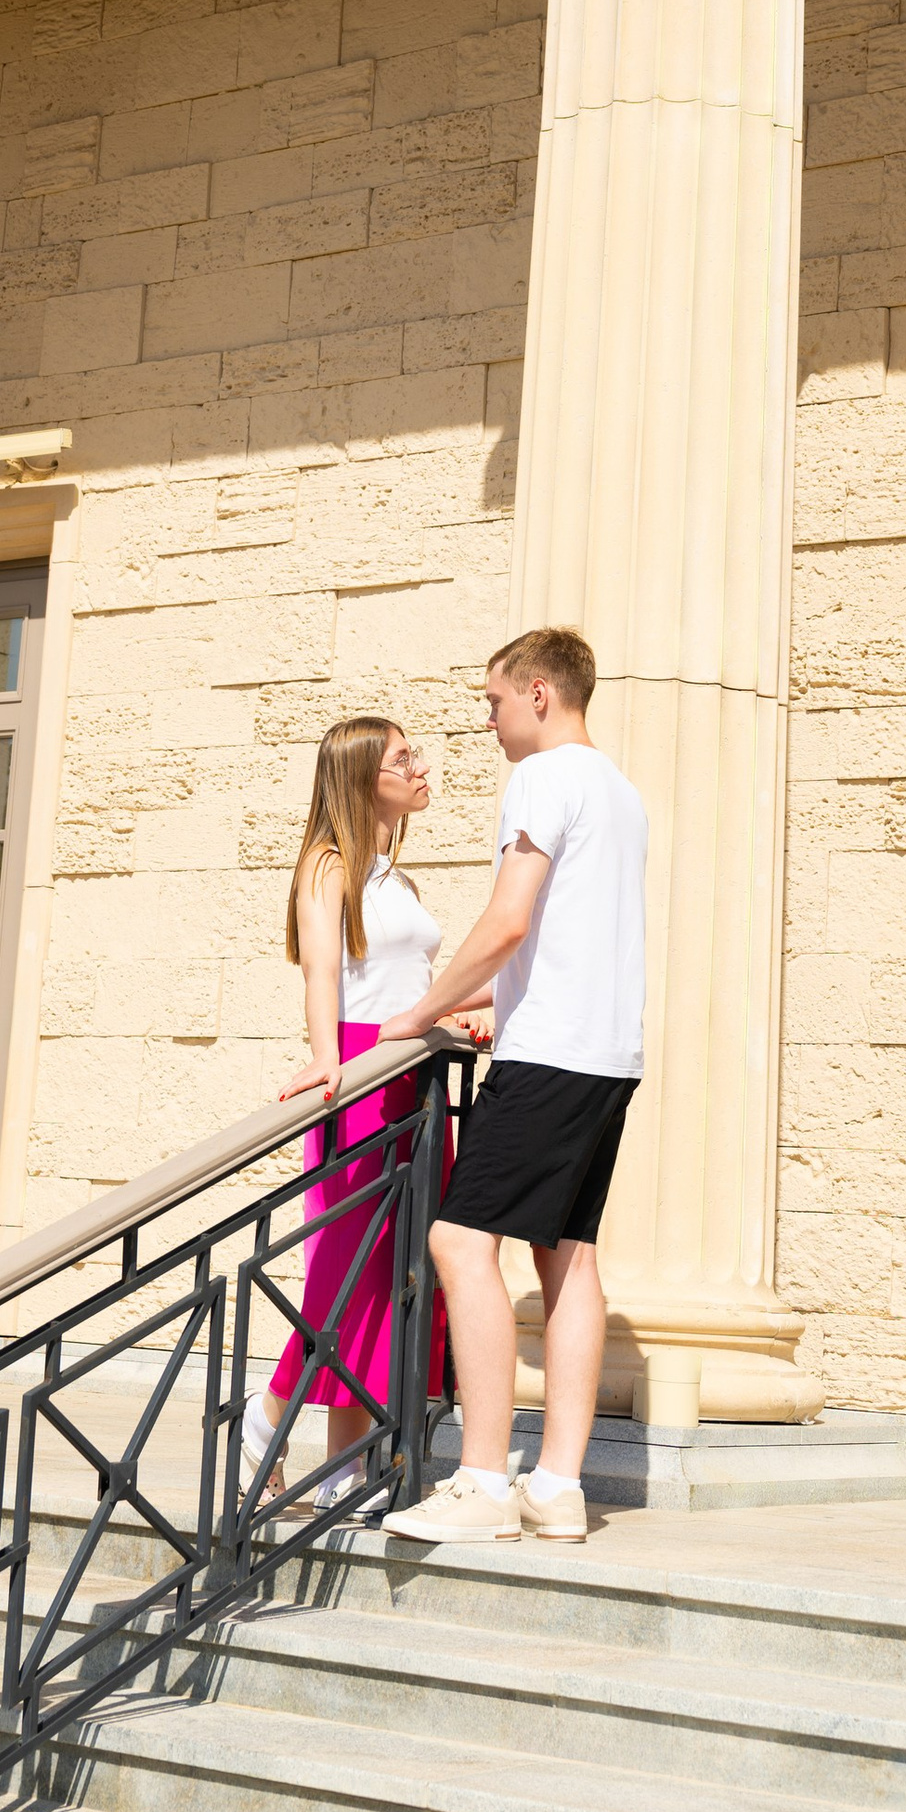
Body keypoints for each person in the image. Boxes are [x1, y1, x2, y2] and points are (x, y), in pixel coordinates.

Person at [373, 624, 646, 1546]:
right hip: (609, 1055)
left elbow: (505, 921)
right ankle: (558, 1485)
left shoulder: (543, 776)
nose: (487, 722)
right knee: (567, 1254)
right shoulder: (622, 793)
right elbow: (555, 942)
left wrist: (413, 1018)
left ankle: (483, 1478)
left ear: (538, 691)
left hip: (549, 1054)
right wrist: (483, 995)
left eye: (492, 701)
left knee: (457, 1241)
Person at [251, 716, 457, 1505]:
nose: (422, 765)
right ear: (365, 774)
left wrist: (460, 1015)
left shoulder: (395, 879)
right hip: (365, 1074)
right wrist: (329, 1057)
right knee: (345, 1277)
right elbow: (321, 979)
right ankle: (262, 1429)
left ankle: (345, 1469)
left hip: (414, 1070)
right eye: (404, 756)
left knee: (390, 1279)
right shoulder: (327, 865)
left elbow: (413, 984)